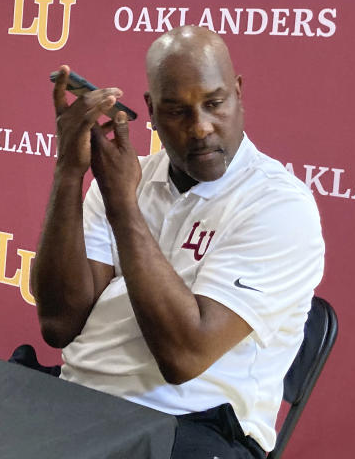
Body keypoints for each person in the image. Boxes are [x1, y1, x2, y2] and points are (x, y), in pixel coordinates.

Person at [31, 26, 325, 458]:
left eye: (214, 103)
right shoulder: (127, 175)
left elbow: (183, 359)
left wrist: (123, 208)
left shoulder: (279, 206)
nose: (201, 127)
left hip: (193, 429)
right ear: (150, 110)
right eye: (177, 111)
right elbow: (58, 324)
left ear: (238, 93)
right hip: (79, 403)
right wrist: (69, 171)